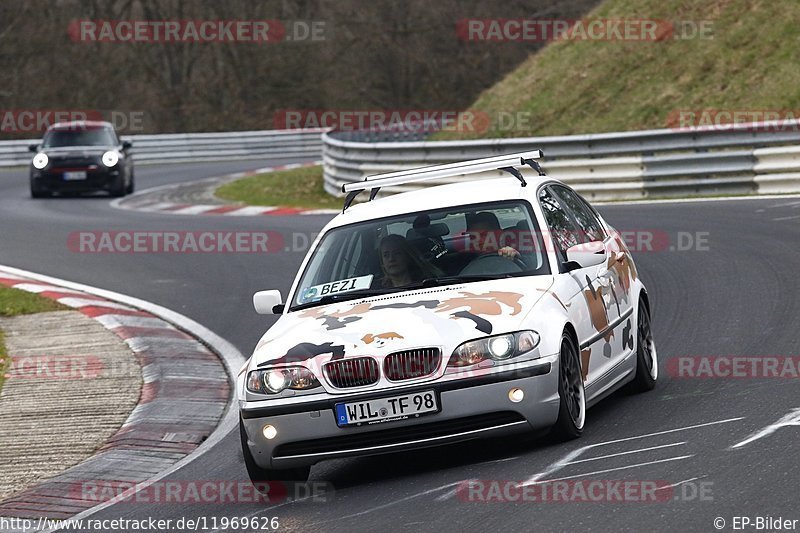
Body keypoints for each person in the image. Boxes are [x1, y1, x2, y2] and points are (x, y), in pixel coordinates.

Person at [376, 234, 441, 288]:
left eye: (397, 253)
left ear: (407, 256)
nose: (391, 259)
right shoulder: (375, 290)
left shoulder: (428, 283)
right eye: (386, 255)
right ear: (382, 262)